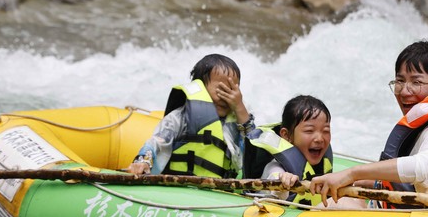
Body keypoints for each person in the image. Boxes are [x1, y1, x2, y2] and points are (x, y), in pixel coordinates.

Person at [309, 40, 428, 208]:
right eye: (400, 81)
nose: (404, 91)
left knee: (326, 209)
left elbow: (424, 168)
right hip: (417, 209)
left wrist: (352, 173)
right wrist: (377, 183)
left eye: (416, 82)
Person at [126, 54, 255, 178]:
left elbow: (254, 150)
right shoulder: (181, 117)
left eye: (232, 90)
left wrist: (240, 108)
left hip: (220, 192)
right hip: (180, 187)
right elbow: (157, 142)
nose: (226, 97)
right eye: (221, 89)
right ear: (200, 87)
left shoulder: (236, 124)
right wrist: (143, 161)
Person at [243, 95, 332, 205]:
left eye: (325, 130)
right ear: (286, 135)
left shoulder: (321, 164)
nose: (319, 139)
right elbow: (275, 178)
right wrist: (284, 181)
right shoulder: (276, 167)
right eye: (309, 131)